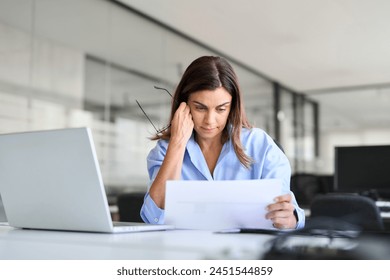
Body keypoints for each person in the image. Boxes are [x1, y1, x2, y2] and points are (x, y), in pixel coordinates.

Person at [140, 56, 305, 230]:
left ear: (232, 107)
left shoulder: (261, 145)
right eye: (200, 107)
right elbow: (153, 218)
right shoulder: (165, 150)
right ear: (184, 105)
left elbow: (289, 213)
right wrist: (178, 143)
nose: (210, 120)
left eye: (221, 109)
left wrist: (290, 218)